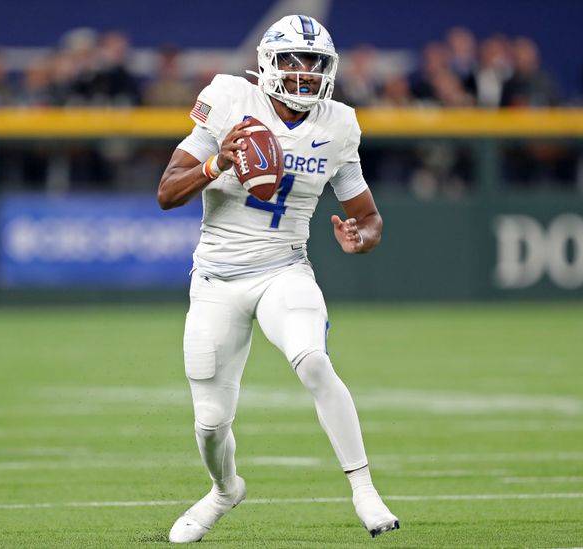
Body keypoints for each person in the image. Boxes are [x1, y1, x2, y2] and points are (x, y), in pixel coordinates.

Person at [157, 14, 399, 544]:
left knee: (313, 361)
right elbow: (167, 191)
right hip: (217, 278)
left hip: (283, 268)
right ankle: (223, 491)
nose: (304, 72)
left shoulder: (338, 123)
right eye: (293, 60)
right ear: (268, 62)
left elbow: (369, 216)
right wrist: (216, 163)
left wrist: (365, 236)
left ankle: (364, 489)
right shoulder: (228, 98)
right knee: (210, 423)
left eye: (314, 62)